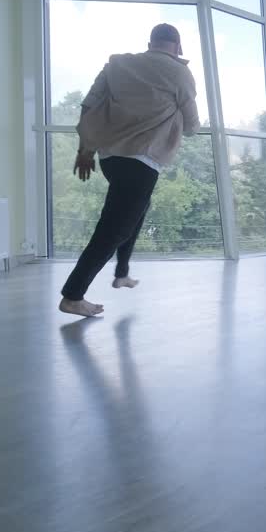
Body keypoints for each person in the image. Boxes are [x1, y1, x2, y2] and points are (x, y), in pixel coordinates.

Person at [58, 23, 200, 316]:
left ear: (150, 43)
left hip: (110, 156)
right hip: (142, 160)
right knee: (112, 229)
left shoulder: (117, 64)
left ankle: (121, 273)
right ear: (178, 47)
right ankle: (73, 296)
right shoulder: (180, 73)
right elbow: (192, 126)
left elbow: (89, 106)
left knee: (136, 210)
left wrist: (85, 150)